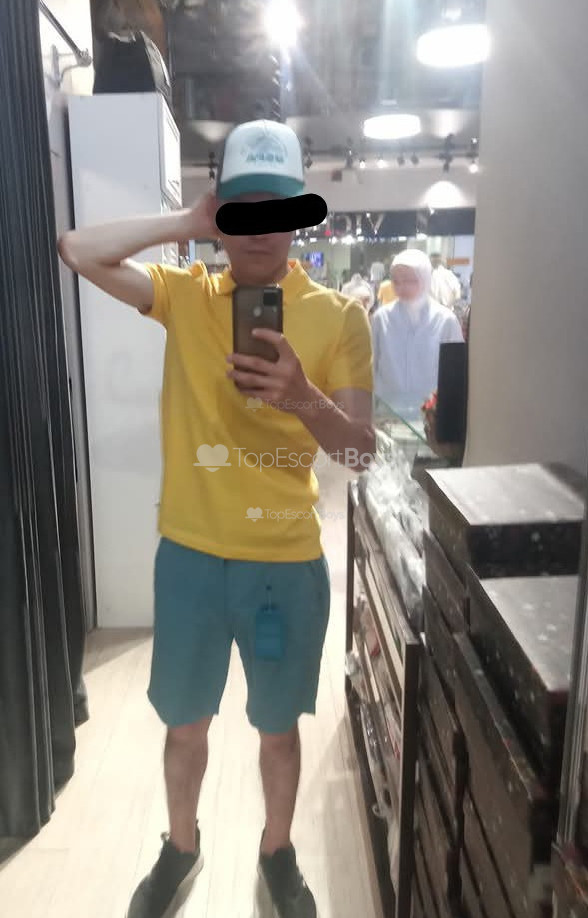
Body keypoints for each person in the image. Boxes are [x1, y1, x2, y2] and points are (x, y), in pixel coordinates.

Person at [58, 118, 374, 918]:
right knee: (185, 726)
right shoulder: (187, 295)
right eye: (240, 209)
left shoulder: (339, 316)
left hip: (286, 563)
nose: (259, 228)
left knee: (277, 729)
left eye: (277, 209)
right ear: (219, 213)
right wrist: (186, 221)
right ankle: (181, 845)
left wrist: (301, 396)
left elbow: (361, 453)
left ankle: (277, 851)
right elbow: (77, 249)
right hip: (192, 558)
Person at [372, 249, 464, 418]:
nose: (402, 287)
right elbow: (372, 365)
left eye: (410, 280)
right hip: (388, 414)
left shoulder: (445, 320)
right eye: (396, 281)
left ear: (425, 279)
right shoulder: (381, 318)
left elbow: (455, 374)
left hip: (431, 415)